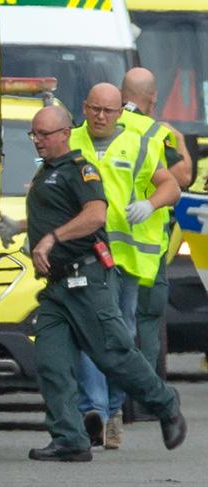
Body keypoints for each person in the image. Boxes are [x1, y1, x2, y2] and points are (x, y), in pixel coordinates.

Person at [24, 105, 185, 462]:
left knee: (113, 355)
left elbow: (95, 214)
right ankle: (70, 438)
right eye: (33, 134)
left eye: (44, 135)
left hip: (87, 280)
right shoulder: (47, 172)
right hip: (57, 287)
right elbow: (56, 214)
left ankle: (165, 403)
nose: (37, 141)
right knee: (50, 360)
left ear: (65, 133)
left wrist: (51, 238)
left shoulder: (80, 170)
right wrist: (25, 232)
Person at [69, 83, 181, 450]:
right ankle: (96, 412)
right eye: (95, 109)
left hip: (125, 257)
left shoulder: (139, 144)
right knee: (88, 331)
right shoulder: (70, 141)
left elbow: (171, 186)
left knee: (120, 335)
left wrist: (150, 204)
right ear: (84, 108)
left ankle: (114, 411)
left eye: (108, 110)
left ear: (121, 112)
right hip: (85, 253)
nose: (101, 116)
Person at [120, 67, 191, 390]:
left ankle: (110, 402)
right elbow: (183, 178)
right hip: (147, 250)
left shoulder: (99, 127)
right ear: (153, 98)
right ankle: (144, 396)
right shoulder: (157, 134)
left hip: (106, 246)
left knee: (111, 323)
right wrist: (178, 140)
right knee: (146, 321)